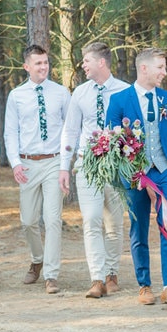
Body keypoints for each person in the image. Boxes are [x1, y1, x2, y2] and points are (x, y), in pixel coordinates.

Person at [105, 47, 167, 306]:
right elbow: (112, 143)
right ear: (143, 68)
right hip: (134, 175)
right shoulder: (120, 100)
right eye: (161, 67)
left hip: (164, 171)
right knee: (139, 228)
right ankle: (144, 285)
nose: (164, 73)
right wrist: (127, 171)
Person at [58, 42, 130, 299]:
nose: (83, 65)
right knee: (91, 220)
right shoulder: (79, 93)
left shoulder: (125, 90)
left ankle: (112, 273)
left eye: (87, 60)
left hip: (117, 166)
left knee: (114, 223)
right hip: (87, 164)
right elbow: (71, 130)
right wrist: (64, 167)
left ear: (101, 62)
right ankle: (97, 278)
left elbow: (132, 130)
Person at [5, 44, 71, 295]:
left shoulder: (61, 93)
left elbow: (69, 128)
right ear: (26, 67)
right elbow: (10, 132)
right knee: (28, 220)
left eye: (46, 62)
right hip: (28, 163)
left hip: (54, 160)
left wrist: (65, 163)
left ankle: (51, 275)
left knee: (53, 219)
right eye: (38, 63)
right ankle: (37, 258)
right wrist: (15, 163)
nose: (43, 67)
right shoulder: (16, 96)